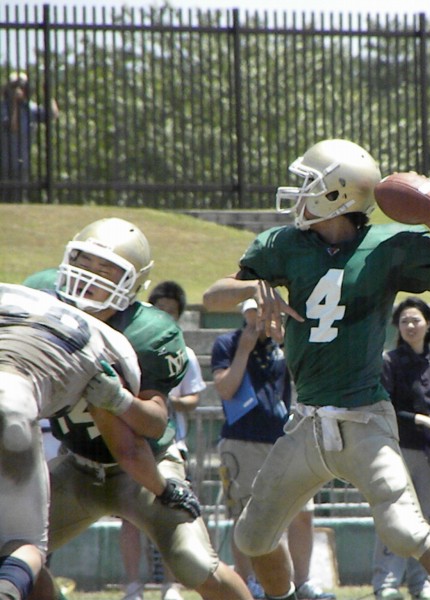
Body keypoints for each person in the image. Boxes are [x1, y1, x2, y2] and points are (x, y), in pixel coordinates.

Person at [203, 138, 430, 600]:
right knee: (252, 537)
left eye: (308, 183)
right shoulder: (284, 245)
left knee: (406, 531)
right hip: (306, 422)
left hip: (364, 420)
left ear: (337, 193)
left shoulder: (386, 245)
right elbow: (212, 297)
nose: (299, 193)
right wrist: (251, 287)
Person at [24, 217, 251, 600]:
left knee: (194, 563)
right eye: (82, 261)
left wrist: (118, 399)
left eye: (105, 270)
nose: (88, 277)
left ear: (131, 284)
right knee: (14, 555)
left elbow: (154, 423)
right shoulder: (42, 298)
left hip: (148, 468)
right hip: (77, 465)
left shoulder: (148, 332)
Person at [0, 282, 196, 600]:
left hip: (54, 439)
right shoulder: (92, 345)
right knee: (23, 547)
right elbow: (129, 449)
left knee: (13, 548)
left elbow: (148, 429)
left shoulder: (26, 302)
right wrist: (165, 489)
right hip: (34, 434)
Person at [213, 298, 335, 600]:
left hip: (284, 438)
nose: (261, 318)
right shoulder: (227, 343)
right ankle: (249, 581)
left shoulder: (282, 345)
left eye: (266, 312)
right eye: (254, 313)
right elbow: (225, 388)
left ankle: (303, 582)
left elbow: (308, 379)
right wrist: (244, 350)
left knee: (303, 511)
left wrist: (287, 344)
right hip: (243, 440)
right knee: (244, 516)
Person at [372, 297, 430, 600]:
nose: (410, 326)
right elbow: (386, 407)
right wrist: (422, 420)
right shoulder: (390, 362)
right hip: (398, 448)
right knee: (393, 515)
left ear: (428, 324)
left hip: (429, 451)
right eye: (404, 321)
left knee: (428, 518)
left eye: (415, 320)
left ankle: (421, 582)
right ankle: (386, 583)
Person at [119, 281, 206, 600]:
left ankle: (172, 585)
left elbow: (194, 396)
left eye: (172, 311)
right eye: (160, 309)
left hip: (171, 445)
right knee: (130, 518)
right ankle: (133, 585)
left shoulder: (184, 352)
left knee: (172, 514)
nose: (165, 315)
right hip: (135, 442)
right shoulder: (131, 348)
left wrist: (169, 404)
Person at [0, 71, 58, 202]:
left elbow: (52, 115)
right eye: (15, 87)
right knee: (5, 197)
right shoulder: (3, 108)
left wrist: (48, 93)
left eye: (22, 87)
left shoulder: (30, 108)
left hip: (23, 161)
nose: (18, 90)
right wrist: (15, 104)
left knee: (20, 196)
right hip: (5, 162)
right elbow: (14, 127)